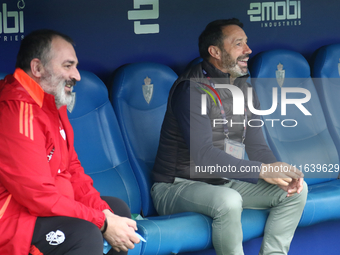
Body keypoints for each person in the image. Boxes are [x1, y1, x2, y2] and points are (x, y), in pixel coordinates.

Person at [151, 18, 308, 255]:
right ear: (214, 51)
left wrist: (279, 169)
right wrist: (261, 171)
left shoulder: (244, 87)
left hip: (224, 179)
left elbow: (256, 145)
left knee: (296, 191)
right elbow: (204, 155)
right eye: (239, 44)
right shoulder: (191, 89)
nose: (248, 50)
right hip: (177, 185)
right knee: (229, 200)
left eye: (246, 42)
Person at [0, 29, 140, 255]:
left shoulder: (53, 104)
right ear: (37, 68)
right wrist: (101, 223)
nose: (77, 75)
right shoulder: (16, 113)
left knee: (117, 210)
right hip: (12, 221)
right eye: (68, 65)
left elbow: (72, 170)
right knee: (84, 233)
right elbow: (38, 196)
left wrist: (105, 215)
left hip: (40, 210)